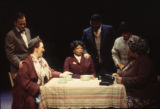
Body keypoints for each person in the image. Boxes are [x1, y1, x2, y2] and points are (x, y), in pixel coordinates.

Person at [12, 36, 72, 109]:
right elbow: (25, 83)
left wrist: (61, 74)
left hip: (38, 91)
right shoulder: (26, 64)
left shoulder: (41, 61)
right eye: (42, 47)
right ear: (35, 49)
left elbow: (50, 71)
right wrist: (40, 88)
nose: (44, 49)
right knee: (32, 101)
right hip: (26, 94)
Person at [112, 37, 160, 108]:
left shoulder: (145, 61)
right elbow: (128, 71)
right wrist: (119, 74)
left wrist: (122, 80)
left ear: (135, 51)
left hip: (142, 96)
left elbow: (141, 80)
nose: (128, 50)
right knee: (113, 99)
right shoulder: (133, 59)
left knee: (117, 104)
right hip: (132, 93)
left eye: (129, 48)